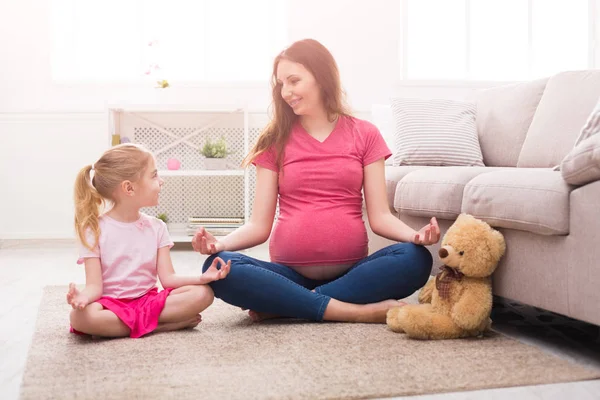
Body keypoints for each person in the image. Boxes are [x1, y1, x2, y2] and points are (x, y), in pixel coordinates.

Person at [193, 39, 439, 323]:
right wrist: (219, 244)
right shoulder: (275, 141)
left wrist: (414, 237)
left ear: (321, 77)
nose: (286, 92)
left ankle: (287, 303)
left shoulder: (365, 134)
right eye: (280, 84)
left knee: (417, 258)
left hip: (352, 273)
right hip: (288, 273)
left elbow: (381, 216)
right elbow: (259, 226)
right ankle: (351, 311)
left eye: (293, 81)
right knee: (217, 266)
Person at [68, 143, 231, 338]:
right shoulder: (94, 230)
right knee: (80, 317)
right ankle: (158, 326)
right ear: (129, 188)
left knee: (203, 294)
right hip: (110, 306)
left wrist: (202, 279)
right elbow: (95, 286)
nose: (161, 181)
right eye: (154, 175)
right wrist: (83, 298)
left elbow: (168, 279)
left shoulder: (157, 227)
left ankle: (127, 327)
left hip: (148, 302)